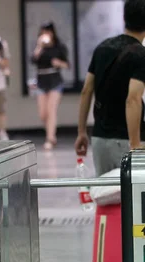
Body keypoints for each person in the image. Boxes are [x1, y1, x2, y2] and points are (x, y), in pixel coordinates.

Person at [75, 0, 145, 175]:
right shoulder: (140, 55)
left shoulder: (102, 48)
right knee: (132, 197)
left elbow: (86, 91)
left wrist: (81, 132)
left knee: (105, 195)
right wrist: (135, 143)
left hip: (100, 138)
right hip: (125, 138)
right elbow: (133, 99)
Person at [31, 21, 70, 150]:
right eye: (43, 32)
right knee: (43, 113)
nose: (46, 34)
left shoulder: (59, 47)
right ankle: (50, 133)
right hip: (41, 81)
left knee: (51, 109)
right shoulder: (39, 47)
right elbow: (33, 60)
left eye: (48, 31)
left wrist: (58, 63)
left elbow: (67, 65)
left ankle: (50, 138)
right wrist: (39, 46)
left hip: (55, 80)